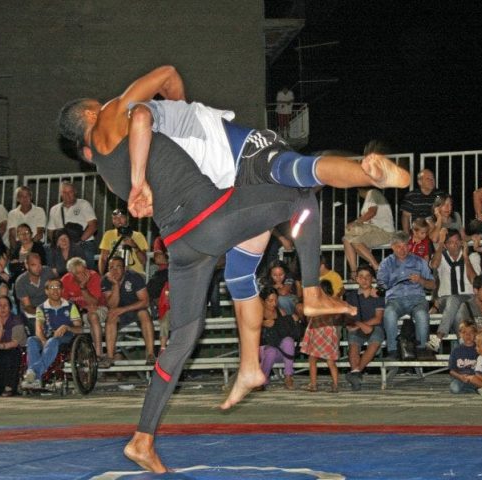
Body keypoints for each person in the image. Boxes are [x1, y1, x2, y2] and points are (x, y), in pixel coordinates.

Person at [57, 65, 406, 472]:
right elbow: (147, 104)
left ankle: (142, 438)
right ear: (91, 114)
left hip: (181, 246)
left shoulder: (103, 171)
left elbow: (148, 141)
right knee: (300, 197)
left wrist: (139, 177)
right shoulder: (113, 114)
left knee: (183, 339)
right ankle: (311, 292)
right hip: (208, 218)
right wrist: (141, 178)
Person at [377, 232, 436, 359]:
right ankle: (393, 350)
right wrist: (390, 283)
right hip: (395, 299)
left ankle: (421, 349)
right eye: (398, 246)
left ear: (409, 246)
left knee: (422, 314)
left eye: (405, 246)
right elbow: (381, 284)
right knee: (389, 313)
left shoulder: (419, 261)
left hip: (417, 298)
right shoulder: (386, 263)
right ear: (392, 246)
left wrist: (421, 280)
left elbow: (433, 285)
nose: (402, 250)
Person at [22, 278, 82, 389]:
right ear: (46, 291)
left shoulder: (70, 306)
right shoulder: (41, 308)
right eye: (52, 288)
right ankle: (37, 379)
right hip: (47, 336)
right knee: (32, 340)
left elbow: (80, 329)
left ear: (62, 290)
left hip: (65, 339)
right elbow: (38, 329)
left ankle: (33, 371)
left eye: (58, 287)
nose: (55, 290)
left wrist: (67, 327)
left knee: (53, 341)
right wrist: (43, 340)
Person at [101, 257, 155, 367]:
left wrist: (123, 309)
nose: (114, 270)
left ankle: (150, 354)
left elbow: (145, 302)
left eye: (118, 267)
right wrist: (115, 285)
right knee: (111, 316)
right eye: (111, 267)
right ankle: (110, 357)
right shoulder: (106, 280)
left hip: (137, 308)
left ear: (124, 268)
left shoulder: (134, 277)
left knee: (144, 313)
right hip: (119, 312)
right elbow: (112, 306)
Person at [430, 229, 480, 347]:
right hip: (445, 300)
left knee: (459, 309)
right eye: (451, 242)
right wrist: (440, 244)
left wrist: (466, 258)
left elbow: (474, 281)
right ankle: (465, 347)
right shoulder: (440, 256)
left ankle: (440, 337)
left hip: (468, 298)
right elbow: (434, 265)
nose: (455, 244)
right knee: (454, 301)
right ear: (446, 245)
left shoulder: (473, 256)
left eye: (458, 241)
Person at [343, 264, 385, 391]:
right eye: (361, 276)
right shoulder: (352, 296)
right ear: (356, 279)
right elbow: (348, 317)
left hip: (375, 326)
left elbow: (378, 318)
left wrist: (360, 324)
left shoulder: (378, 295)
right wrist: (358, 325)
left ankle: (355, 373)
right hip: (357, 327)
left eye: (367, 276)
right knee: (353, 345)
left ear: (372, 278)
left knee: (375, 340)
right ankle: (356, 375)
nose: (364, 279)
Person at [60, 257, 107, 364]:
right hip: (77, 311)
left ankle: (98, 354)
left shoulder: (94, 276)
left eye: (84, 271)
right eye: (78, 273)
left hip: (98, 308)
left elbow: (94, 303)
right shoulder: (66, 280)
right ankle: (69, 353)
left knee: (93, 316)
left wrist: (83, 287)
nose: (82, 275)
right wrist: (78, 309)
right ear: (71, 274)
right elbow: (63, 303)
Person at [46, 181, 99, 270]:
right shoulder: (54, 209)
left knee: (86, 264)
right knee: (47, 250)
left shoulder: (83, 204)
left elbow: (93, 225)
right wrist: (58, 243)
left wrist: (79, 241)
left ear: (75, 192)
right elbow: (51, 231)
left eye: (70, 192)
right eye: (64, 192)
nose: (67, 195)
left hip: (83, 243)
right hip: (62, 245)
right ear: (60, 194)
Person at [342, 187, 395, 275]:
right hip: (376, 230)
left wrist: (355, 222)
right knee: (346, 239)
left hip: (384, 232)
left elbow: (372, 212)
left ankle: (377, 267)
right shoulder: (373, 195)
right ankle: (354, 272)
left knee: (355, 240)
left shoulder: (372, 193)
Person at [301, 281, 341, 393]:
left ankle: (313, 384)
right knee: (330, 361)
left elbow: (309, 316)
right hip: (328, 334)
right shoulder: (331, 303)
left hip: (317, 333)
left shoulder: (315, 303)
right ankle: (335, 384)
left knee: (312, 359)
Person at [257, 287, 301, 390]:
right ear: (263, 301)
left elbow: (287, 331)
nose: (273, 304)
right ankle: (263, 380)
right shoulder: (257, 313)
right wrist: (262, 323)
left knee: (288, 340)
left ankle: (288, 376)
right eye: (270, 301)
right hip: (263, 350)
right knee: (270, 351)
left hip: (280, 350)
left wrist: (292, 320)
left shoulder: (281, 311)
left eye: (276, 300)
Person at [98, 208, 148, 275]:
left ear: (127, 218)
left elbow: (144, 261)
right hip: (114, 275)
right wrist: (102, 276)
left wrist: (135, 246)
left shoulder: (138, 235)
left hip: (135, 274)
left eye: (121, 217)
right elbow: (103, 259)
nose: (118, 220)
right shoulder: (108, 235)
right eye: (115, 218)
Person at [13, 253, 55, 333]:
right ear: (26, 265)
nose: (38, 268)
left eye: (39, 264)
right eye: (33, 265)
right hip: (32, 311)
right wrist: (44, 314)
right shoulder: (21, 281)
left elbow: (56, 290)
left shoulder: (48, 272)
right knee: (37, 324)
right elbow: (28, 307)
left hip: (48, 306)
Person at [400, 169, 444, 233]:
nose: (431, 181)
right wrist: (407, 236)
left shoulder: (440, 195)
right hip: (418, 232)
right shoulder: (412, 196)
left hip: (436, 231)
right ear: (420, 182)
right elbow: (405, 216)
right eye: (428, 179)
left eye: (433, 178)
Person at [447, 320, 480, 394]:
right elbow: (451, 370)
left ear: (475, 333)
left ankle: (472, 389)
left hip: (474, 378)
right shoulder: (456, 350)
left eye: (471, 332)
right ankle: (471, 391)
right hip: (460, 378)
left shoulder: (479, 349)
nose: (467, 335)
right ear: (460, 334)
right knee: (454, 388)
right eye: (464, 332)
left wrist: (473, 377)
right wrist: (460, 377)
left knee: (480, 385)